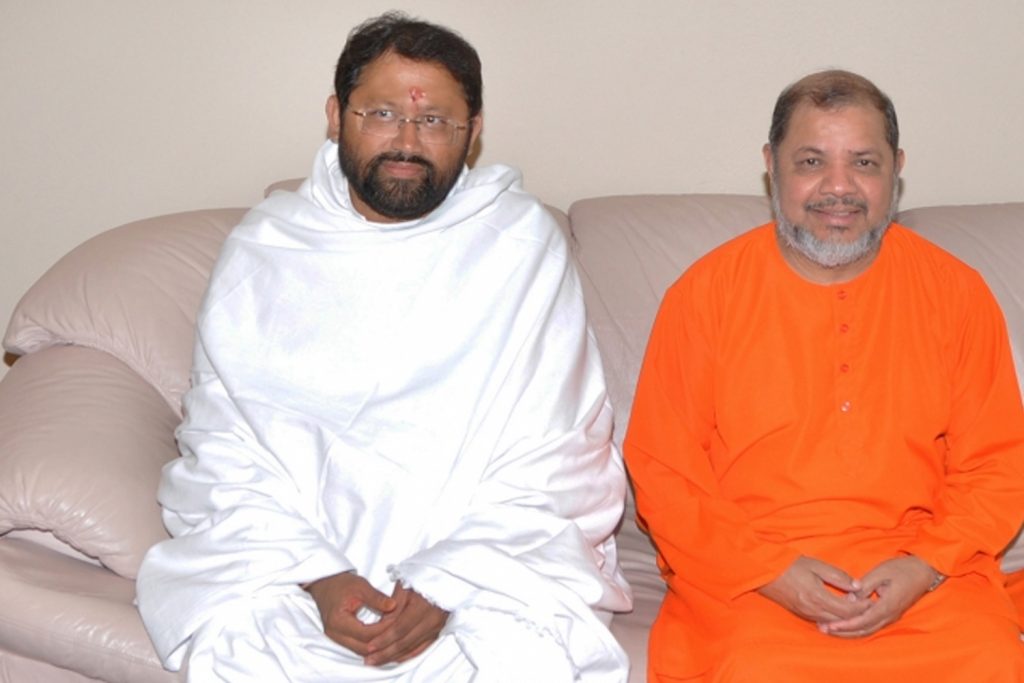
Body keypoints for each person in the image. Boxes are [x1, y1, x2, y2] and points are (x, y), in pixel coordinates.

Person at [136, 12, 631, 682]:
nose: (406, 140)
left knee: (521, 651)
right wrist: (315, 572)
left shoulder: (518, 244)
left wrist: (449, 581)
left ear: (473, 132)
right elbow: (224, 445)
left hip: (487, 560)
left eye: (434, 121)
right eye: (381, 113)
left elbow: (559, 448)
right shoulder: (268, 249)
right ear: (336, 115)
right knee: (242, 640)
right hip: (294, 559)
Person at [624, 69, 1024, 682]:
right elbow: (664, 471)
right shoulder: (705, 295)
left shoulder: (956, 293)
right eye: (812, 160)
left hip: (922, 576)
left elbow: (999, 463)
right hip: (750, 581)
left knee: (990, 660)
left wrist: (925, 566)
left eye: (863, 162)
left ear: (896, 169)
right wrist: (768, 572)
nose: (838, 187)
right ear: (772, 166)